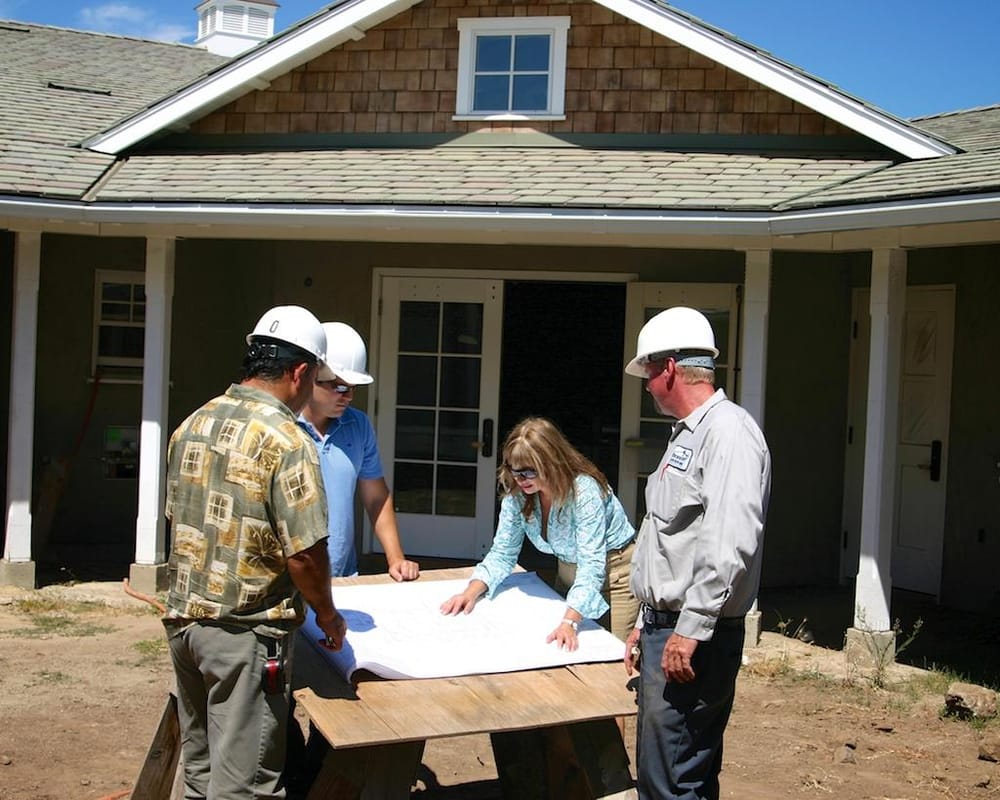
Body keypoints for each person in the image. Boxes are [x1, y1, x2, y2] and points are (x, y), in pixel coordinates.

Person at [162, 305, 347, 800]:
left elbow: (177, 520)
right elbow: (305, 553)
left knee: (201, 776)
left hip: (184, 626)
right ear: (301, 372)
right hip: (244, 636)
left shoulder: (192, 423)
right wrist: (328, 617)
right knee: (243, 786)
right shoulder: (287, 439)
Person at [622, 306, 771, 800]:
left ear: (669, 369)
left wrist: (690, 628)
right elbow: (671, 537)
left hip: (694, 639)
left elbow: (729, 541)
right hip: (669, 629)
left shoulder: (728, 432)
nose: (645, 384)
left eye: (647, 371)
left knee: (673, 782)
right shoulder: (689, 433)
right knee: (669, 774)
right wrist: (647, 620)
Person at [440, 416, 638, 648]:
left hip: (615, 575)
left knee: (614, 655)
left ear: (552, 463)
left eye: (529, 471)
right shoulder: (518, 494)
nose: (521, 479)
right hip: (568, 574)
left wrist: (570, 622)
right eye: (514, 470)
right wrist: (470, 592)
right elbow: (503, 552)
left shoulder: (584, 491)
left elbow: (591, 563)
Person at [297, 321, 419, 582]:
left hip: (342, 577)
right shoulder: (279, 425)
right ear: (310, 376)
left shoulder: (358, 425)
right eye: (339, 387)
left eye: (353, 388)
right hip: (287, 586)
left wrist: (396, 558)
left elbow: (376, 497)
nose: (348, 396)